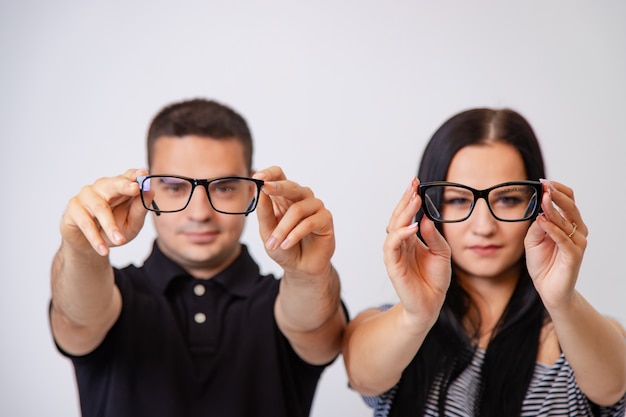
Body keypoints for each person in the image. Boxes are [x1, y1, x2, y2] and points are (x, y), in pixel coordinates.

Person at [49, 98, 347, 417]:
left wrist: (308, 274)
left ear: (252, 190)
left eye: (224, 187)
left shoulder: (284, 299)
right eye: (175, 187)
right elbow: (76, 318)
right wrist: (81, 249)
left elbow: (317, 331)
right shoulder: (111, 292)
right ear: (147, 191)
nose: (200, 213)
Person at [342, 108, 626, 416]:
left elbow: (613, 386)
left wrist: (562, 300)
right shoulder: (397, 325)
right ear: (428, 204)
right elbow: (363, 376)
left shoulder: (583, 331)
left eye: (507, 199)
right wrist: (415, 315)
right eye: (457, 199)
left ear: (537, 203)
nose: (484, 226)